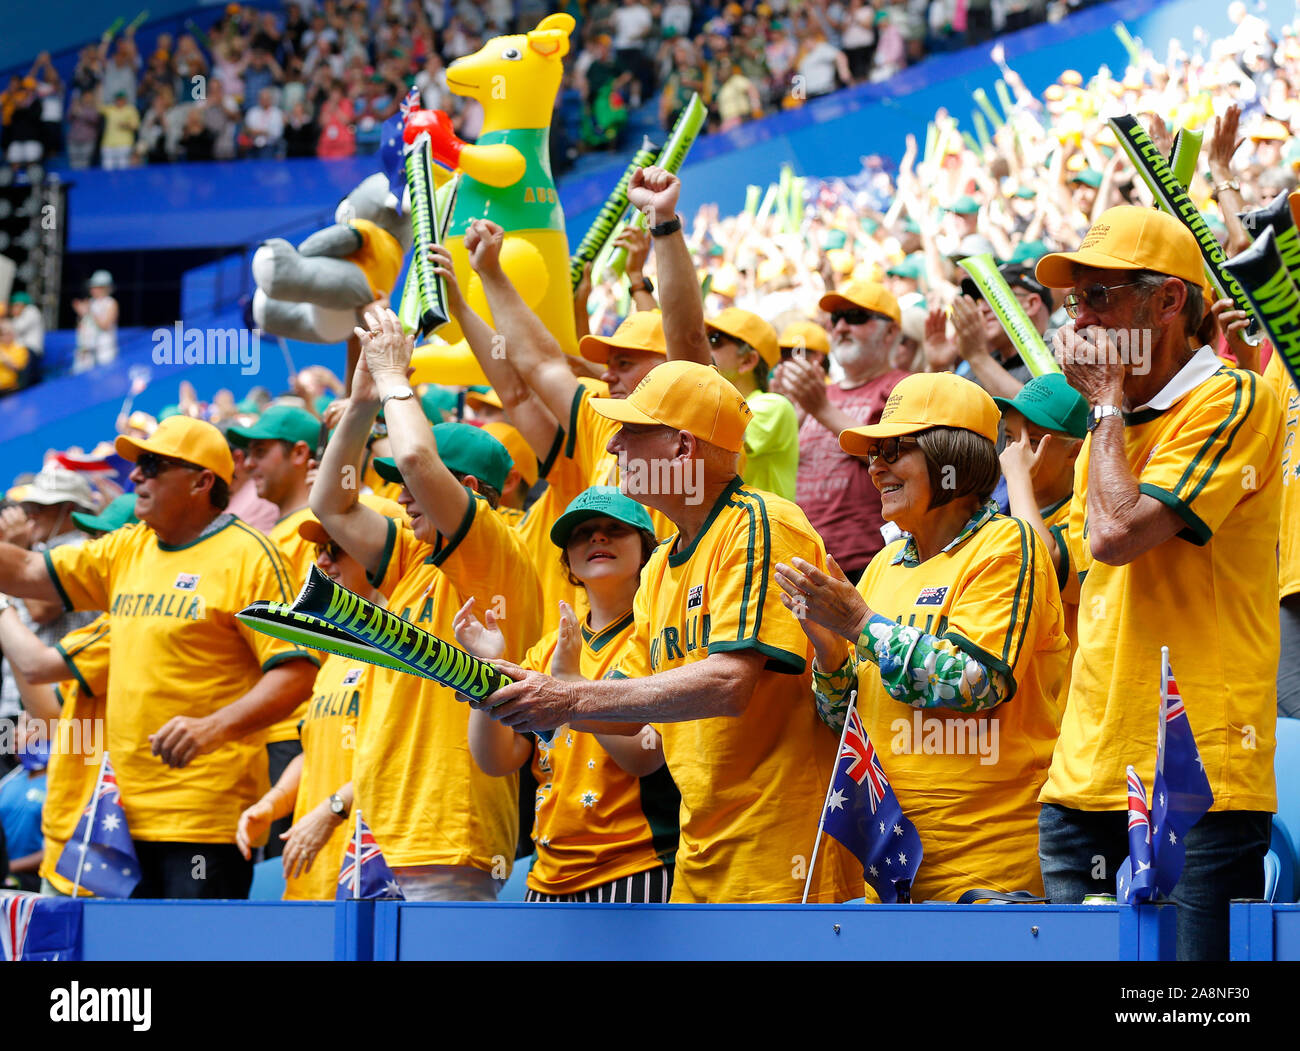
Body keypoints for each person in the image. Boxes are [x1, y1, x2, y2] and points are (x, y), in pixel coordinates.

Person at [476, 359, 859, 905]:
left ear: (682, 448)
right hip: (698, 855)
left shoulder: (762, 523)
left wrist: (567, 696)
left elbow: (730, 684)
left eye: (631, 431)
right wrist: (519, 692)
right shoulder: (657, 567)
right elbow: (631, 715)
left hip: (781, 855)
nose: (613, 448)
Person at [1034, 205, 1283, 961]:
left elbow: (1116, 533)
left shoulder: (1234, 398)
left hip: (1195, 775)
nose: (1081, 320)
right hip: (1086, 773)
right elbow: (1083, 575)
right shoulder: (1103, 437)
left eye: (1101, 297)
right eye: (1075, 302)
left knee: (1186, 1014)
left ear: (1169, 301)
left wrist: (1104, 404)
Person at [0, 415, 320, 898]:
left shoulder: (252, 557)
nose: (135, 476)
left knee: (187, 950)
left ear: (201, 481)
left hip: (201, 821)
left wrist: (213, 727)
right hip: (115, 815)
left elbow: (297, 673)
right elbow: (25, 569)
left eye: (151, 465)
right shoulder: (128, 547)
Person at [776, 372, 1067, 900]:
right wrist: (829, 649)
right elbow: (844, 722)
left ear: (953, 460)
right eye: (873, 454)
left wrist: (861, 624)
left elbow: (976, 683)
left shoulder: (1008, 545)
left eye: (895, 450)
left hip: (987, 876)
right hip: (889, 874)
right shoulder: (884, 563)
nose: (876, 466)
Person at [310, 308, 542, 901]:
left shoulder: (495, 550)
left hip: (447, 836)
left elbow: (415, 458)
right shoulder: (417, 560)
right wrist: (362, 400)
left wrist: (394, 377)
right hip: (381, 839)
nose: (401, 493)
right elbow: (330, 507)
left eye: (416, 489)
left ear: (469, 493)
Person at [455, 487, 680, 902]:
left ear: (647, 551)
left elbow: (644, 756)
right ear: (569, 562)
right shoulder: (546, 649)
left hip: (637, 865)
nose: (597, 538)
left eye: (615, 529)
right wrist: (485, 673)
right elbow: (498, 759)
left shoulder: (660, 637)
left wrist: (571, 682)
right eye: (583, 533)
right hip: (547, 876)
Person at [235, 496, 402, 900]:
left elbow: (399, 757)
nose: (323, 563)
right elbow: (313, 749)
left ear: (382, 552)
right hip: (314, 876)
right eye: (319, 551)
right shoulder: (340, 649)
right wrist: (272, 805)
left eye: (337, 548)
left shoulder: (404, 649)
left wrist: (331, 810)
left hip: (373, 878)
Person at [227, 403, 323, 859]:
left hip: (301, 731)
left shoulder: (323, 533)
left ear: (300, 454)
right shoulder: (262, 540)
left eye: (261, 451)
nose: (247, 464)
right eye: (245, 452)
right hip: (267, 734)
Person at [773, 279, 909, 583]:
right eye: (836, 319)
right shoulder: (817, 394)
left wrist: (820, 409)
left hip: (871, 562)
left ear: (890, 332)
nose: (842, 327)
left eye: (857, 318)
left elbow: (899, 461)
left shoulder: (904, 386)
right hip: (802, 562)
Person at [994, 373, 1088, 710]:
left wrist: (1017, 478)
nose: (1015, 451)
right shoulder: (1002, 516)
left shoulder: (1086, 514)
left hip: (1065, 710)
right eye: (1008, 437)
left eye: (1032, 441)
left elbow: (1041, 560)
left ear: (1074, 452)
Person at [704, 308, 798, 500]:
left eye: (714, 340)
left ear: (748, 360)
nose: (706, 349)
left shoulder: (773, 405)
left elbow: (721, 445)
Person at [72, 270, 119, 374]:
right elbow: (83, 328)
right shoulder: (91, 303)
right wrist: (81, 314)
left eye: (95, 286)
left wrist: (90, 311)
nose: (92, 289)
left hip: (105, 352)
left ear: (104, 288)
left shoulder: (111, 303)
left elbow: (105, 326)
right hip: (88, 353)